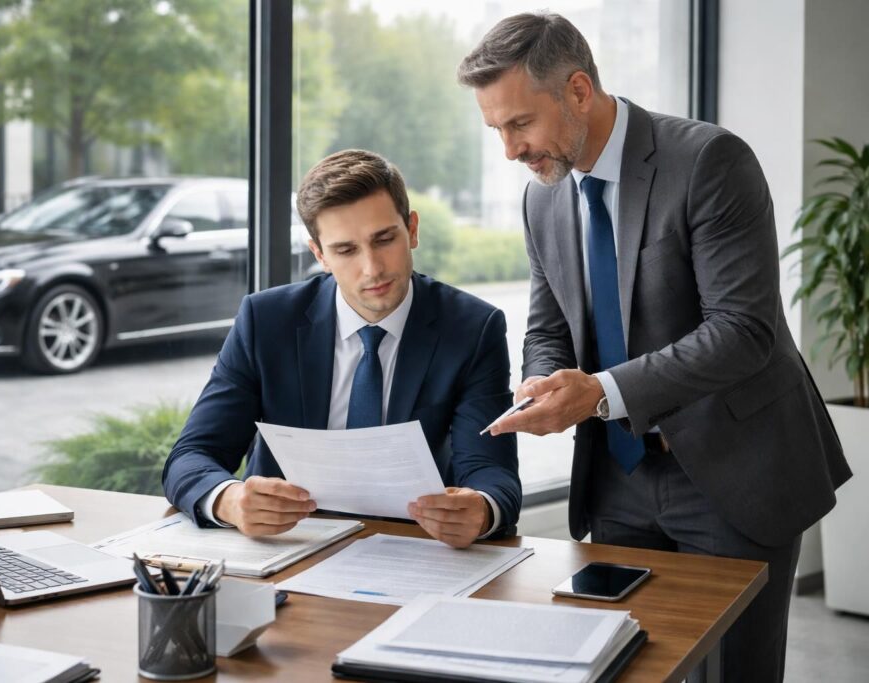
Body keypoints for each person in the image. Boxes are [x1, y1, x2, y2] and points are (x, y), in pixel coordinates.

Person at [458, 12, 850, 682]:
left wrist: (600, 394)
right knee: (625, 668)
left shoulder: (708, 161)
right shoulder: (542, 201)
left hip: (734, 473)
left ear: (578, 91)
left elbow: (743, 330)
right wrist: (545, 381)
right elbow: (548, 326)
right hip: (620, 479)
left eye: (520, 123)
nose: (509, 150)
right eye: (496, 129)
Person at [162, 149, 521, 549]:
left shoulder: (472, 328)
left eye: (384, 239)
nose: (372, 269)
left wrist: (481, 510)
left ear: (412, 229)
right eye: (346, 250)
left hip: (413, 549)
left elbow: (492, 473)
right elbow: (191, 456)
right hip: (290, 548)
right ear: (320, 255)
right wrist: (229, 500)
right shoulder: (266, 321)